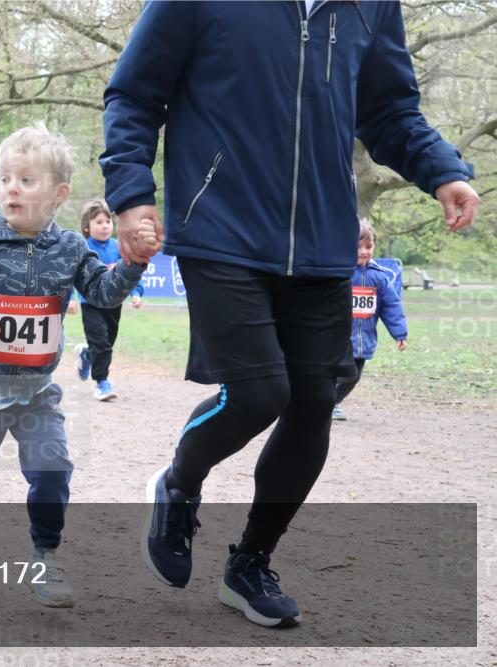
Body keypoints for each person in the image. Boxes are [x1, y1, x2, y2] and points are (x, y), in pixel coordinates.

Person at [100, 1, 480, 628]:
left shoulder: (370, 4)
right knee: (258, 393)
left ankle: (250, 562)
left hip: (324, 245)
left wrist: (443, 172)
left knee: (313, 401)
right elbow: (135, 95)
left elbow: (388, 111)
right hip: (220, 230)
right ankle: (178, 482)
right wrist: (132, 194)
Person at [0, 123, 154, 608]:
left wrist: (133, 263)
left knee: (53, 469)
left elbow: (103, 292)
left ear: (58, 194)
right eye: (5, 178)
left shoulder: (72, 248)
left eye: (26, 180)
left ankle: (46, 556)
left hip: (36, 391)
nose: (12, 187)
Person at [332, 221, 408, 420]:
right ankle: (324, 404)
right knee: (331, 372)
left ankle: (332, 402)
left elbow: (392, 306)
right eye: (358, 246)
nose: (364, 251)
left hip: (363, 337)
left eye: (369, 246)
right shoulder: (339, 273)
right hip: (337, 336)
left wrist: (399, 333)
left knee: (353, 376)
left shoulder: (381, 277)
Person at [72, 198, 145, 401]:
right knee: (102, 344)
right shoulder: (82, 248)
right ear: (87, 227)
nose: (105, 226)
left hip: (114, 305)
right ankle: (102, 383)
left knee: (106, 344)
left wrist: (136, 293)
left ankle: (87, 354)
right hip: (91, 305)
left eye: (107, 222)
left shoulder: (119, 246)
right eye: (99, 222)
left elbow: (130, 273)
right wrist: (70, 298)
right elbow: (70, 275)